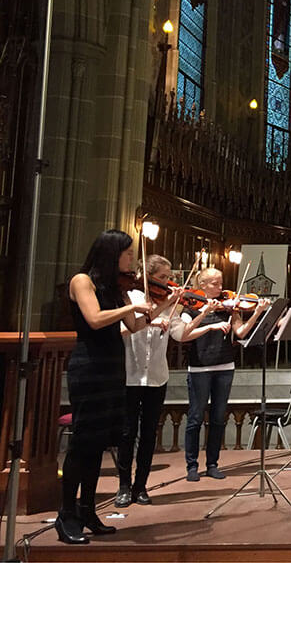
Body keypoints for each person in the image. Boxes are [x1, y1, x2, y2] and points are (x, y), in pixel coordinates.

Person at [59, 230, 154, 544]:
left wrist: (162, 306)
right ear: (112, 253)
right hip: (89, 367)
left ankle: (87, 510)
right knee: (82, 443)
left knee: (99, 443)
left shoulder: (117, 287)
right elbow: (96, 319)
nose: (131, 261)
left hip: (114, 367)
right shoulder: (81, 281)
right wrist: (129, 308)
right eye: (128, 254)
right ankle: (66, 515)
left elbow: (135, 326)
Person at [170, 267, 270, 482]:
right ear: (202, 285)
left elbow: (241, 332)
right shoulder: (192, 307)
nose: (220, 287)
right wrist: (207, 316)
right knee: (196, 417)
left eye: (221, 282)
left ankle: (213, 463)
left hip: (225, 366)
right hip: (200, 367)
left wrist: (257, 313)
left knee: (218, 417)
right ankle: (192, 466)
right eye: (214, 283)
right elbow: (185, 334)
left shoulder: (229, 307)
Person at [116, 254, 182, 507]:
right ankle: (123, 485)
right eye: (162, 278)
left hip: (156, 374)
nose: (167, 284)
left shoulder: (169, 301)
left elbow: (179, 334)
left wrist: (177, 316)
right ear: (148, 276)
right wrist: (159, 313)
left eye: (169, 278)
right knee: (127, 432)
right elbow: (124, 329)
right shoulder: (131, 298)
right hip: (131, 373)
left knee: (148, 434)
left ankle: (140, 486)